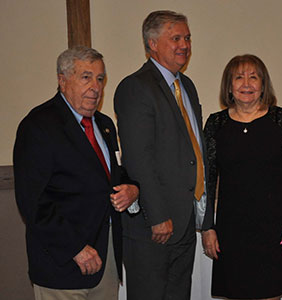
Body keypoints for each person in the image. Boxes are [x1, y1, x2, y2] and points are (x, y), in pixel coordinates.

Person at [13, 46, 139, 300]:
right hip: (62, 264)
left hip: (106, 261)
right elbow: (33, 202)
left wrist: (132, 189)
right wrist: (76, 248)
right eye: (86, 77)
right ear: (62, 80)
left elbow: (114, 175)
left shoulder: (104, 126)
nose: (96, 86)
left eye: (100, 78)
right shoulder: (39, 126)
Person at [114, 10, 209, 300]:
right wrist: (157, 215)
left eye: (188, 38)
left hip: (183, 221)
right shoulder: (136, 87)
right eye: (176, 38)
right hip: (154, 225)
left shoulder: (187, 86)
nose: (184, 45)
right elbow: (138, 158)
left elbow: (194, 152)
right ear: (152, 44)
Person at [201, 54, 282, 300]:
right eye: (238, 77)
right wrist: (207, 226)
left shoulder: (280, 119)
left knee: (271, 293)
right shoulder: (216, 124)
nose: (246, 84)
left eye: (253, 77)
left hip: (276, 227)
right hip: (233, 229)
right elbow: (207, 179)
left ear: (263, 84)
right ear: (229, 86)